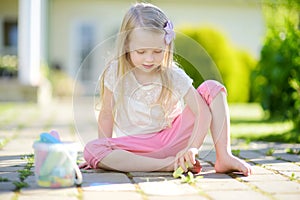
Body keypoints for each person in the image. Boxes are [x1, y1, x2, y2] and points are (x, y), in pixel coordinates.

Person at [82, 2, 252, 176]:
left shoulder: (172, 73)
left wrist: (192, 147)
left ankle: (224, 156)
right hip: (136, 149)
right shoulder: (115, 72)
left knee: (212, 87)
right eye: (141, 52)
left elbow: (203, 112)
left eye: (157, 51)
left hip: (174, 140)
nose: (149, 59)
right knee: (92, 149)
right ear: (126, 46)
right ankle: (166, 165)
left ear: (167, 45)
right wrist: (103, 156)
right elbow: (106, 114)